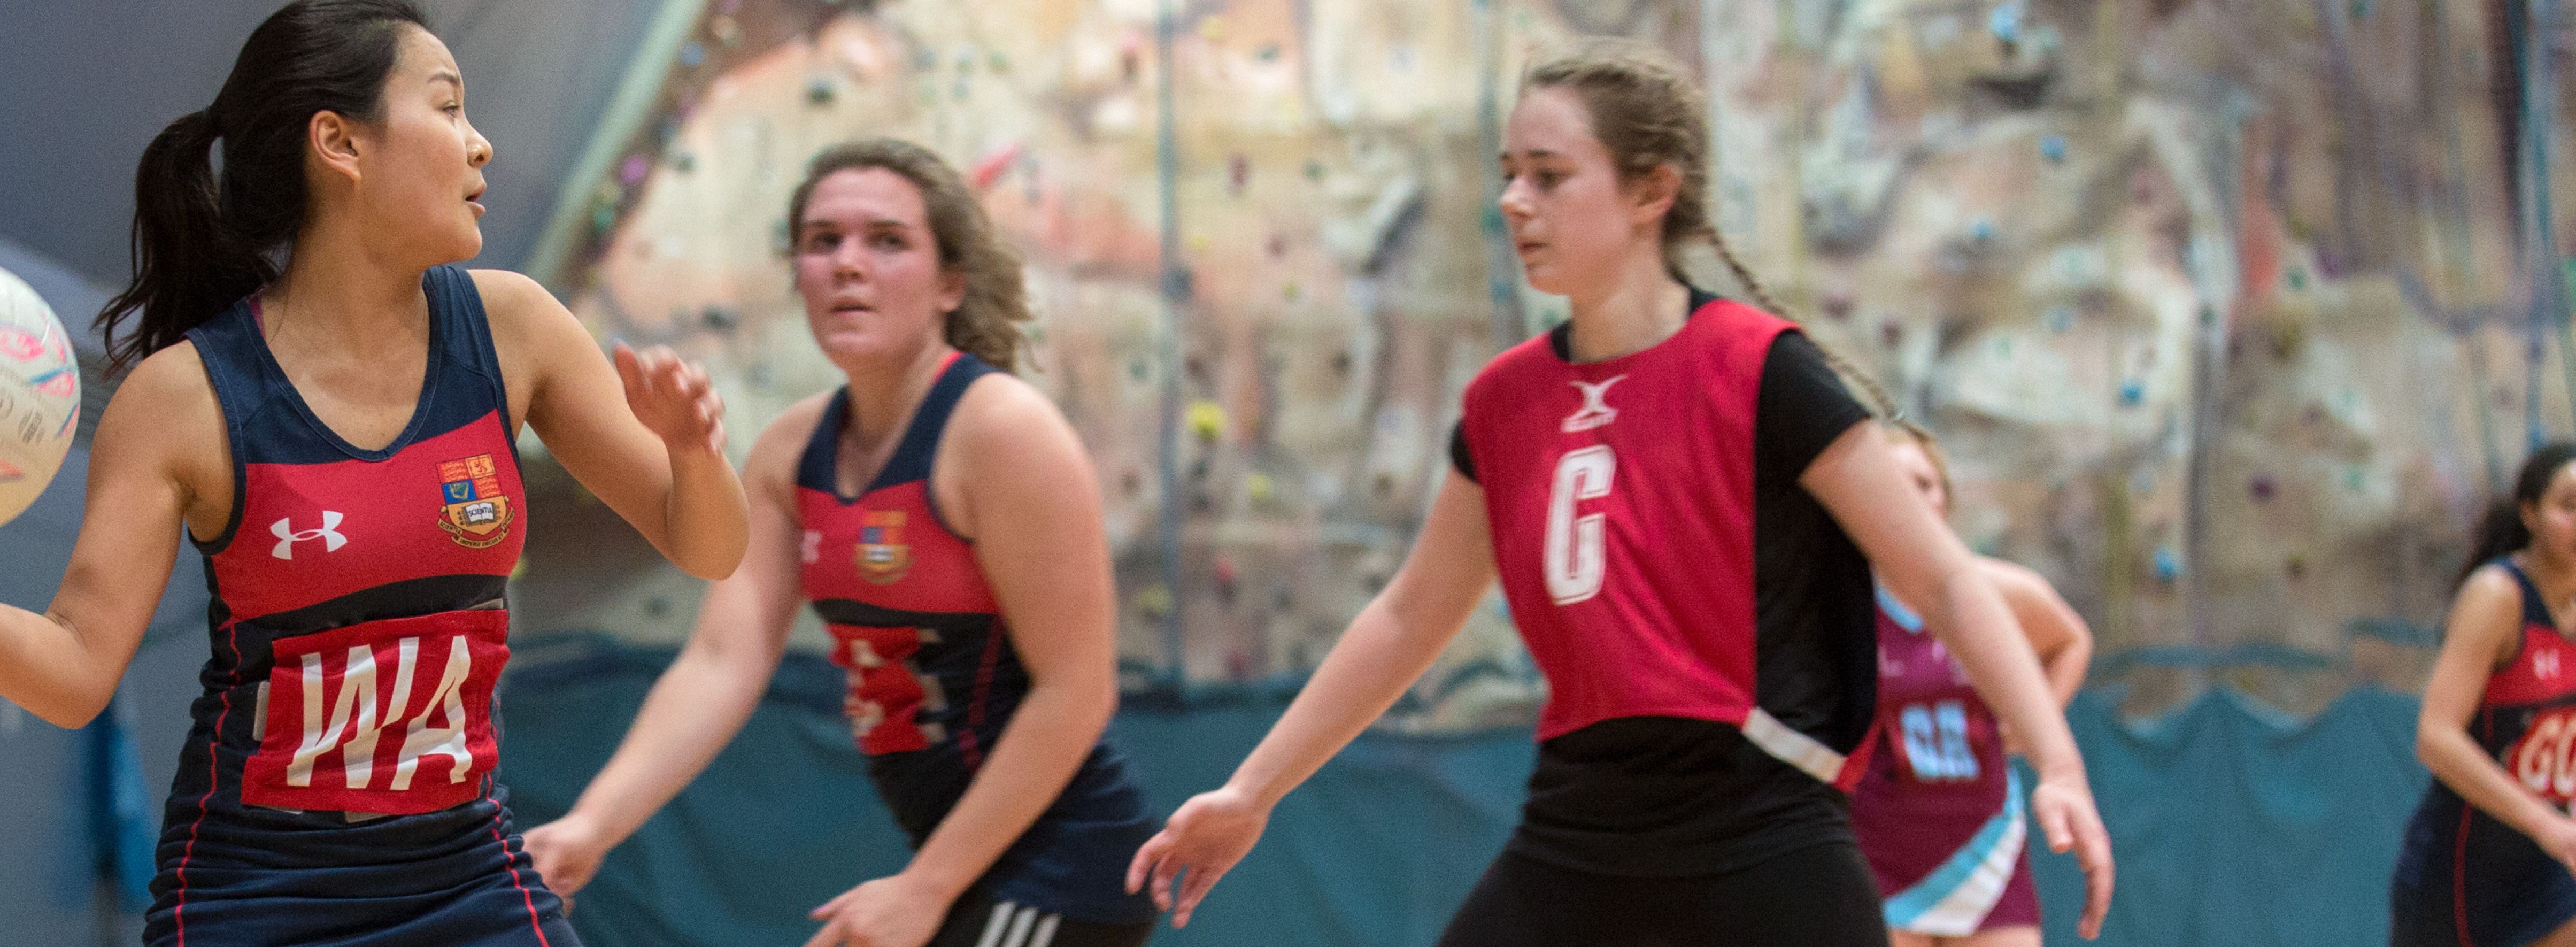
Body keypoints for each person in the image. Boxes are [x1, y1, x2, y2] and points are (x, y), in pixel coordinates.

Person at [0, 3, 750, 943]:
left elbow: (708, 547)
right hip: (259, 897)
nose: (481, 143)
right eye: (448, 106)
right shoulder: (186, 400)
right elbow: (76, 671)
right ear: (341, 144)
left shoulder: (514, 328)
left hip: (470, 874)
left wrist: (694, 454)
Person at [1119, 43, 2114, 946]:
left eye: (1550, 178)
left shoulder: (1762, 370)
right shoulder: (1505, 404)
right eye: (1508, 175)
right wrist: (1252, 791)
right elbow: (1410, 615)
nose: (1515, 201)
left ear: (1652, 192)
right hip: (1581, 829)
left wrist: (2060, 766)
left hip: (1760, 830)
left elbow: (1941, 578)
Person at [519, 139, 1158, 947]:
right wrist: (591, 825)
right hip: (959, 869)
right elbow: (722, 660)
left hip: (1062, 873)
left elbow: (1077, 691)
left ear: (950, 283)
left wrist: (923, 889)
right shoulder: (791, 452)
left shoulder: (1002, 430)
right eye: (823, 242)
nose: (848, 264)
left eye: (887, 240)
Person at [1855, 423, 2095, 946]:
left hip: (1983, 845)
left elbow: (2071, 639)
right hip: (1878, 848)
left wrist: (2031, 729)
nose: (1913, 500)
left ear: (1946, 497)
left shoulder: (1992, 593)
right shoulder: (1845, 599)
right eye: (1895, 486)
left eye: (1924, 484)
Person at [2392, 442, 2576, 947]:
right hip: (2461, 873)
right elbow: (2434, 737)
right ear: (2530, 513)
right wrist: (2543, 820)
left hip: (2548, 874)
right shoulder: (2498, 596)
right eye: (2569, 506)